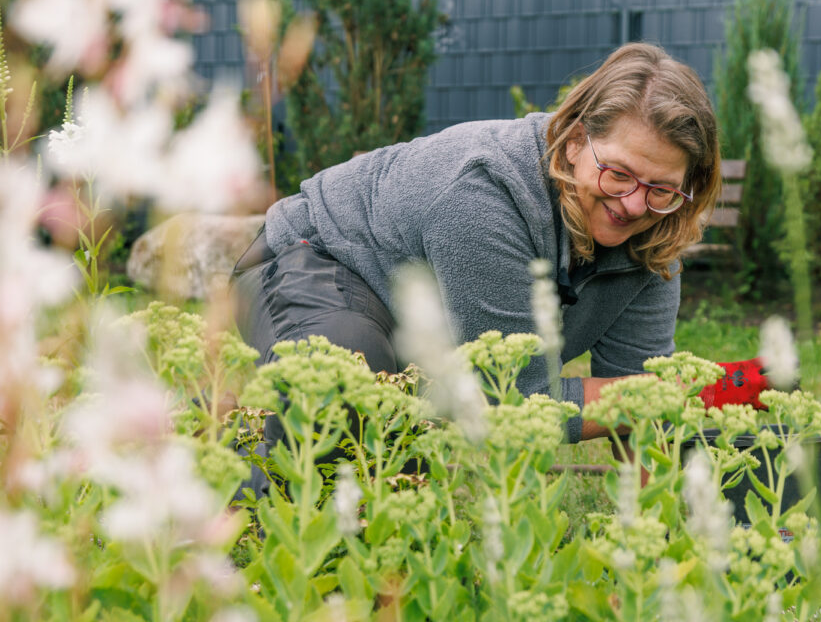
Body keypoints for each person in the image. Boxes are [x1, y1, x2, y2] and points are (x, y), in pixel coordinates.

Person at [230, 42, 768, 493]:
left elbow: (640, 399)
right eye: (620, 175)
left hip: (417, 316)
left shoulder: (653, 232)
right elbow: (511, 403)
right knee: (345, 377)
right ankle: (248, 526)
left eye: (661, 189)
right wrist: (652, 395)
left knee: (399, 487)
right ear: (576, 141)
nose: (633, 203)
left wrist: (662, 528)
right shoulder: (484, 193)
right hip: (312, 261)